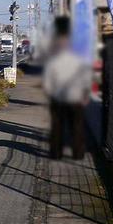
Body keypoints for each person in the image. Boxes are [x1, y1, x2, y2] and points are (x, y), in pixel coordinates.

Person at [41, 15, 92, 159]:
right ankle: (78, 153)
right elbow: (85, 76)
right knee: (77, 126)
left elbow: (49, 77)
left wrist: (49, 91)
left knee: (57, 127)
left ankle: (56, 153)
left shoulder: (54, 56)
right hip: (75, 95)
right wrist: (86, 93)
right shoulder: (78, 56)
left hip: (57, 95)